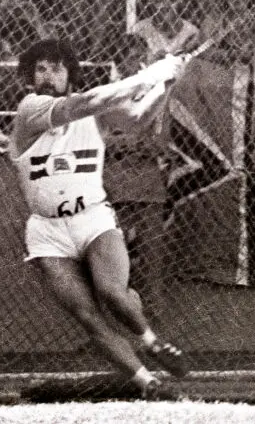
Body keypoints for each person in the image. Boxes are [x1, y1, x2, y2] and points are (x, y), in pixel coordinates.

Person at [9, 39, 188, 399]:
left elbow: (136, 119)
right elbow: (86, 102)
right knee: (88, 316)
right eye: (40, 69)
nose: (48, 76)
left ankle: (152, 343)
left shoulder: (95, 114)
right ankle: (149, 384)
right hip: (48, 231)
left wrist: (168, 82)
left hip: (92, 218)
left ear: (70, 74)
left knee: (113, 294)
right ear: (30, 76)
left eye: (56, 68)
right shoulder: (31, 109)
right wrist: (150, 74)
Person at [103, 34, 169, 318]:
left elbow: (163, 142)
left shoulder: (156, 94)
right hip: (114, 177)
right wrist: (125, 142)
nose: (140, 64)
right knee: (113, 245)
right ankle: (115, 300)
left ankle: (153, 302)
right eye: (132, 58)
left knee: (153, 245)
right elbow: (99, 140)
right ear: (120, 63)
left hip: (147, 176)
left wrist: (137, 143)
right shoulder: (106, 96)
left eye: (143, 58)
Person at [132, 0, 200, 64]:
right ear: (152, 3)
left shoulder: (191, 32)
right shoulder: (140, 29)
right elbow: (132, 61)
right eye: (160, 1)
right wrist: (150, 58)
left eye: (172, 0)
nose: (166, 5)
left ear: (180, 3)